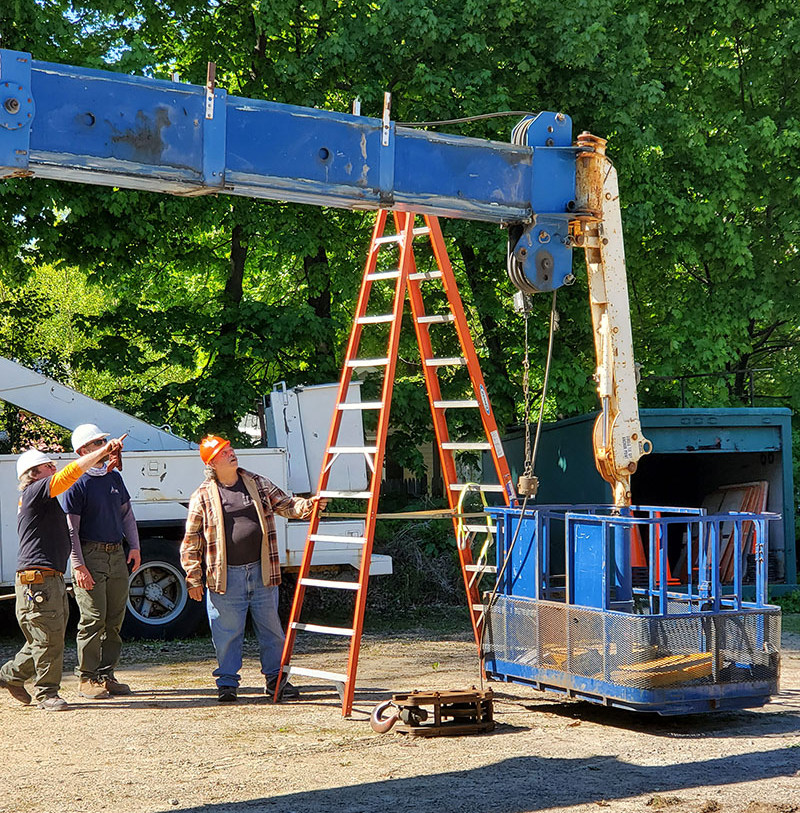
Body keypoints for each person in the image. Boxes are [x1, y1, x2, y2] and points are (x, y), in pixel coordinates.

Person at [180, 435, 326, 702]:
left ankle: (276, 680)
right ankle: (227, 684)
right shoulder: (202, 495)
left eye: (231, 449)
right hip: (225, 576)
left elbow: (287, 504)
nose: (231, 453)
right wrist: (194, 578)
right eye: (224, 452)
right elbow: (191, 540)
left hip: (262, 570)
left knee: (271, 629)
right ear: (212, 462)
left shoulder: (256, 483)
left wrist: (309, 506)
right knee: (226, 632)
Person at [0, 438, 125, 711]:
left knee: (45, 637)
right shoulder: (37, 490)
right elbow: (72, 473)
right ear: (34, 473)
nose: (54, 467)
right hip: (39, 580)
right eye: (48, 465)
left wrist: (103, 465)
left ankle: (10, 675)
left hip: (46, 578)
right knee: (48, 637)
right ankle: (47, 694)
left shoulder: (41, 497)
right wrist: (101, 452)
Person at [61, 423, 142, 700]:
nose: (104, 447)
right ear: (84, 450)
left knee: (114, 618)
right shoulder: (76, 482)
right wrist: (79, 565)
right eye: (97, 443)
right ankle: (86, 678)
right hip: (90, 554)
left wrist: (135, 547)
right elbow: (71, 529)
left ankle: (107, 676)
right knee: (93, 619)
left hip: (116, 553)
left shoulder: (113, 477)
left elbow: (127, 515)